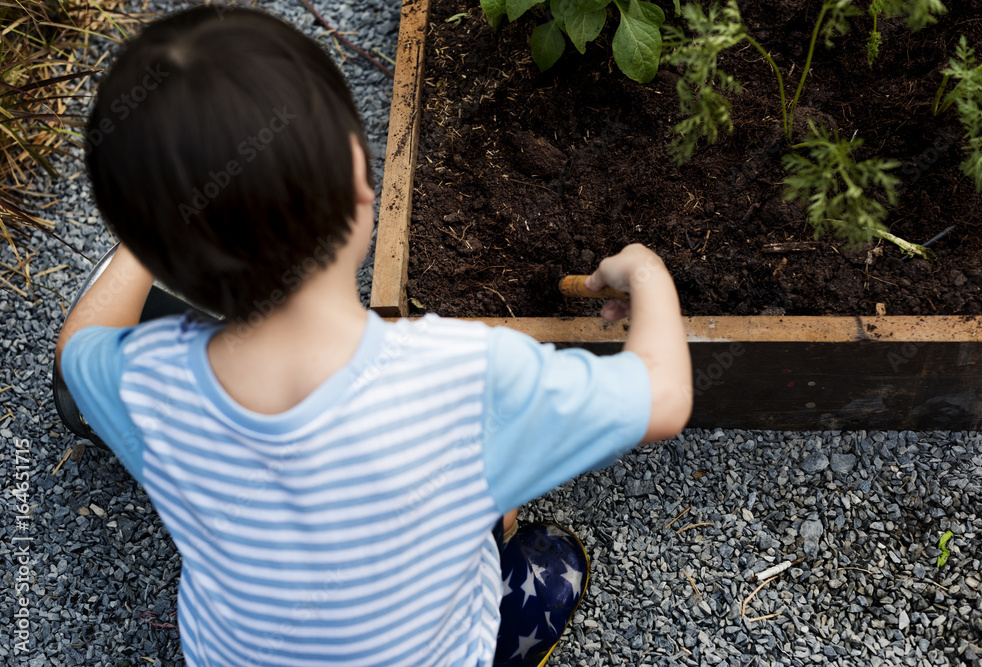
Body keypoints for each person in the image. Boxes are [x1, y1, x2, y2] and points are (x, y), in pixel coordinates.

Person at [55, 6, 692, 666]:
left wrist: (156, 228)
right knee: (535, 550)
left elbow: (79, 343)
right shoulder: (463, 376)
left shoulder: (146, 385)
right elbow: (665, 395)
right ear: (363, 184)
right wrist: (646, 269)